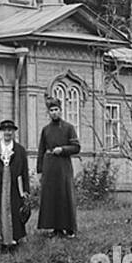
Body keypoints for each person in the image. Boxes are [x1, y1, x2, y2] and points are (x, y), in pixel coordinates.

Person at [0, 119, 29, 250]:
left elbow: (24, 171)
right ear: (1, 132)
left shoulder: (19, 150)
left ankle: (13, 238)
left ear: (13, 132)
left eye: (10, 130)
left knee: (13, 208)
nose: (7, 133)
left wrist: (25, 190)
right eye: (5, 130)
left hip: (13, 184)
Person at [37, 98, 80, 237]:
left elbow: (76, 147)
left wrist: (63, 149)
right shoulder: (46, 130)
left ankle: (69, 228)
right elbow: (41, 150)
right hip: (49, 166)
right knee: (52, 196)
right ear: (48, 112)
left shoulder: (68, 128)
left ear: (60, 110)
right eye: (51, 110)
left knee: (65, 194)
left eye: (56, 110)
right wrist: (39, 170)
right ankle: (56, 228)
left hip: (63, 167)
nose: (54, 113)